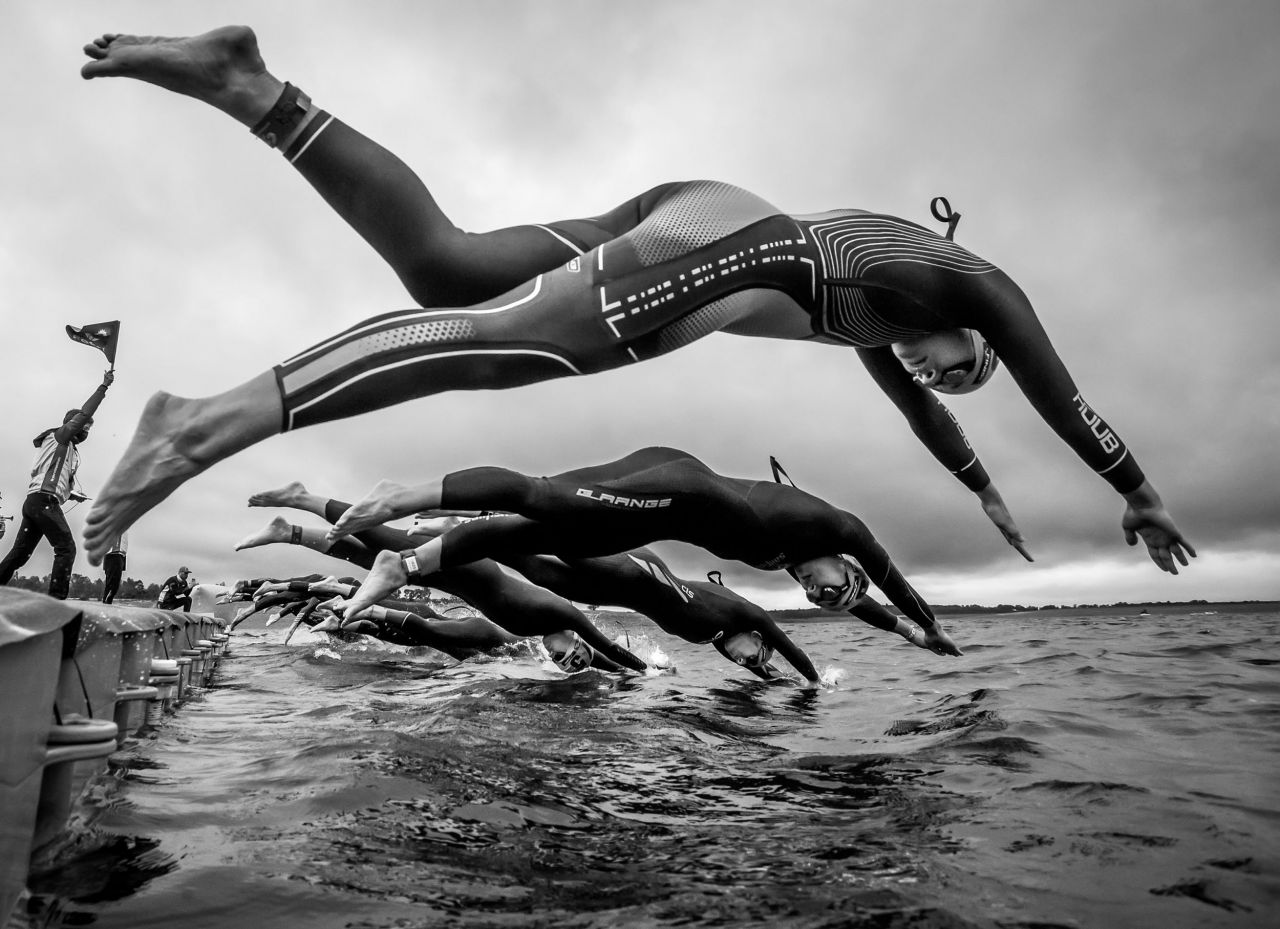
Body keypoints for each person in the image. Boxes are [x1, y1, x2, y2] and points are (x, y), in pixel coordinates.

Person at [79, 27, 1193, 578]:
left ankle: (251, 88)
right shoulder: (970, 287)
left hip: (704, 207)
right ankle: (200, 424)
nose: (948, 374)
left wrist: (986, 493)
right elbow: (1061, 389)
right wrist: (1133, 492)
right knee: (506, 344)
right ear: (970, 329)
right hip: (731, 242)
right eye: (966, 362)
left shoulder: (888, 325)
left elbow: (923, 417)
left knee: (448, 266)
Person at [326, 447, 959, 655]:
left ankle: (406, 563)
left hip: (666, 504)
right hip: (678, 486)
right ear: (846, 564)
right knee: (550, 502)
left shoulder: (804, 565)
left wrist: (900, 633)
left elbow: (866, 604)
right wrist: (927, 626)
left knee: (549, 536)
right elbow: (890, 578)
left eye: (821, 600)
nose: (820, 593)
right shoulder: (840, 528)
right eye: (835, 586)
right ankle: (401, 496)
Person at [414, 513, 956, 680]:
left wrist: (765, 678)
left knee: (537, 565)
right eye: (753, 655)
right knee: (545, 548)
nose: (746, 658)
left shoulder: (719, 636)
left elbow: (766, 663)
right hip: (637, 571)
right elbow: (790, 648)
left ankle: (448, 539)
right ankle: (459, 520)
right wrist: (812, 682)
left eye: (746, 663)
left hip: (629, 582)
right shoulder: (749, 613)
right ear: (753, 638)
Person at [234, 482, 646, 672]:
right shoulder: (565, 614)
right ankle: (304, 497)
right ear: (577, 640)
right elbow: (610, 653)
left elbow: (597, 663)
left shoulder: (538, 637)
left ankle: (288, 531)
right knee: (380, 537)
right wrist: (646, 673)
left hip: (459, 582)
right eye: (571, 654)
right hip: (470, 568)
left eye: (561, 663)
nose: (561, 656)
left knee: (366, 556)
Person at [0, 370, 113, 599]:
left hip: (35, 501)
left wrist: (72, 495)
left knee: (20, 554)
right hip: (43, 501)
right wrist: (104, 387)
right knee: (66, 548)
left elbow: (52, 477)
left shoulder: (66, 449)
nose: (86, 431)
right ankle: (56, 601)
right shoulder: (60, 436)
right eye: (85, 427)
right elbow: (85, 412)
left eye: (89, 429)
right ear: (74, 424)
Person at [101, 531, 127, 603]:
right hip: (113, 553)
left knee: (116, 584)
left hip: (121, 554)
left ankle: (108, 602)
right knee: (111, 583)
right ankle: (105, 604)